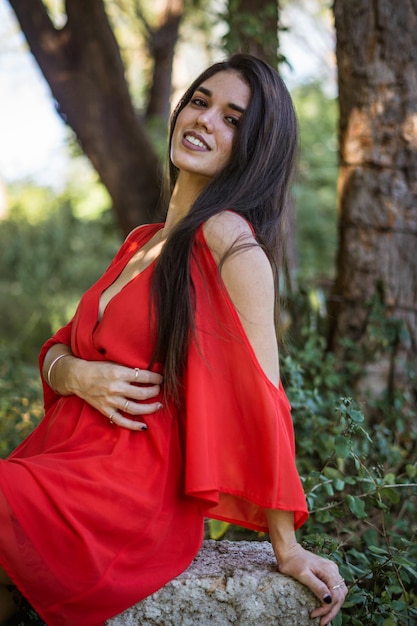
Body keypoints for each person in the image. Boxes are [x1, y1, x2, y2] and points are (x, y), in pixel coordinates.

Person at [0, 53, 347, 626]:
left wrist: (285, 545)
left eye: (233, 119)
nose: (205, 120)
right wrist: (76, 374)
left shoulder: (228, 241)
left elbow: (265, 398)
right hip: (57, 463)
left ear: (255, 148)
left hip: (122, 493)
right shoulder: (142, 241)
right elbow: (62, 346)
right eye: (200, 101)